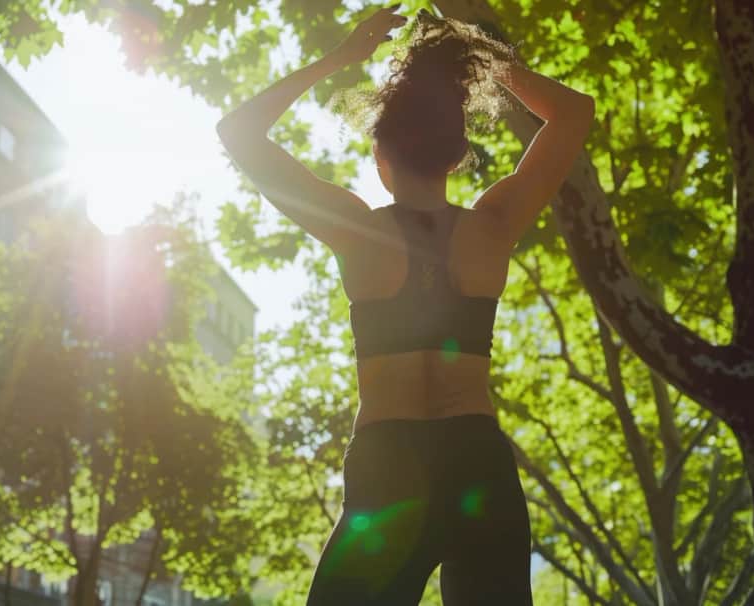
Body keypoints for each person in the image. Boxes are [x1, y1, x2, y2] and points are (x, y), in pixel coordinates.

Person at [216, 5, 594, 604]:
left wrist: (341, 58)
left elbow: (237, 132)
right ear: (456, 154)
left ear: (379, 158)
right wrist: (485, 55)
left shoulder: (353, 230)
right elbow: (575, 113)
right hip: (478, 466)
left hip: (389, 467)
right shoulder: (494, 226)